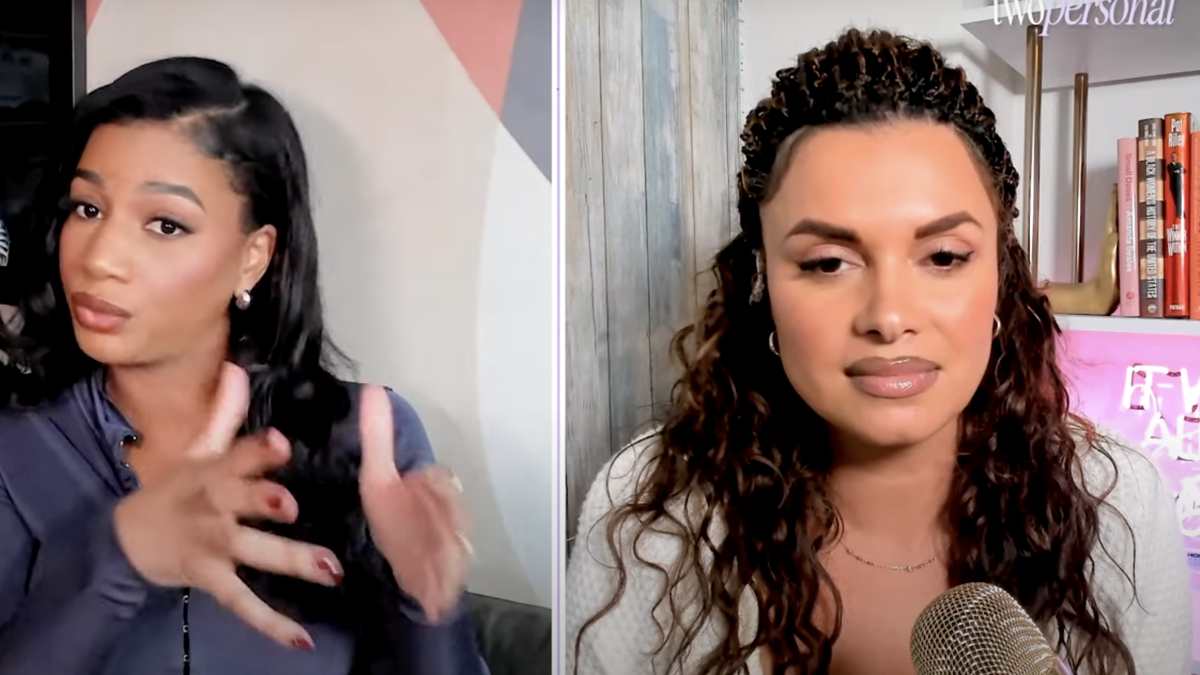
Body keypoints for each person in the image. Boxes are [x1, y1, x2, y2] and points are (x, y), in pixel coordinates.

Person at [566, 29, 1190, 675]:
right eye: (829, 262)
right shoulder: (654, 517)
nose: (889, 316)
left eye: (944, 256)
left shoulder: (1121, 511)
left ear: (1001, 277)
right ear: (764, 289)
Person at [0, 57, 486, 674]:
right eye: (87, 209)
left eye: (165, 224)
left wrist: (426, 607)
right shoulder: (17, 449)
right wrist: (120, 559)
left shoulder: (363, 438)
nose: (100, 258)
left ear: (253, 258)